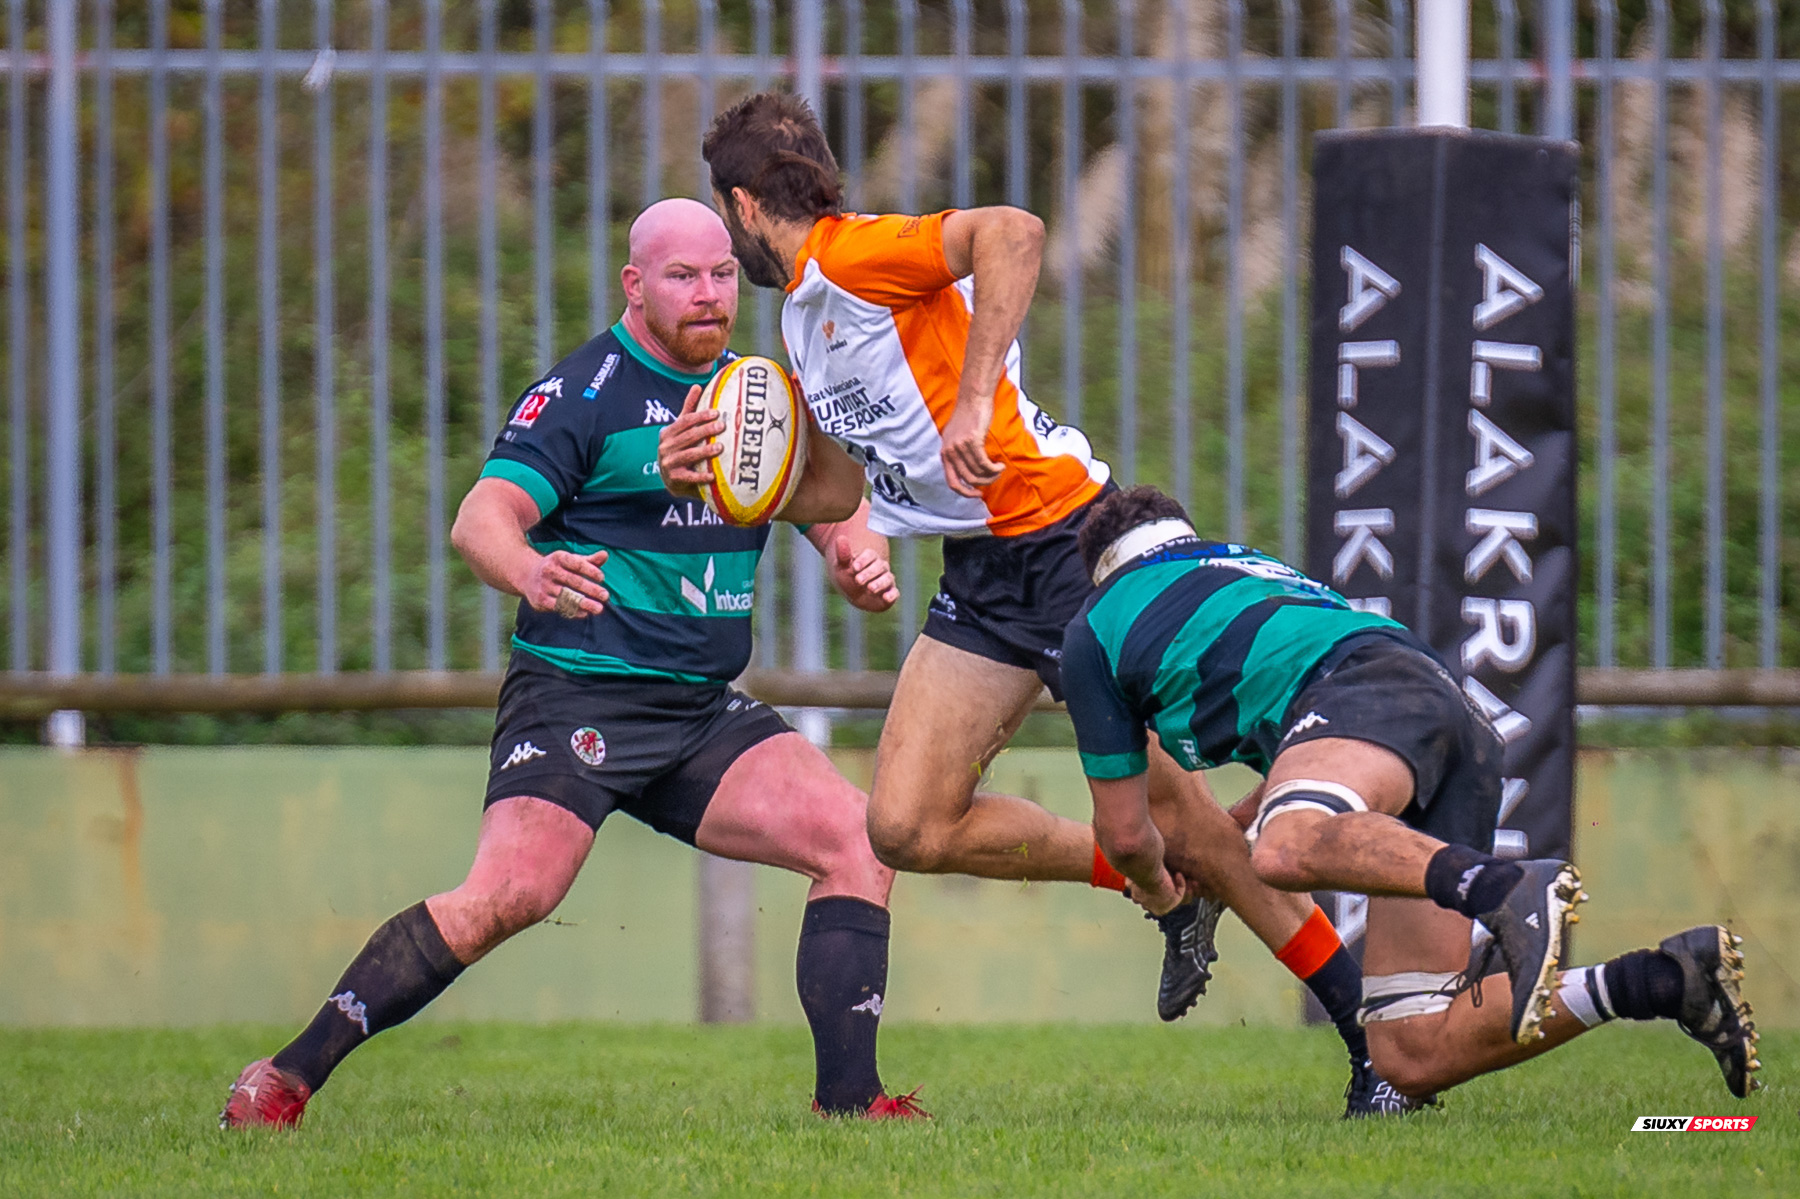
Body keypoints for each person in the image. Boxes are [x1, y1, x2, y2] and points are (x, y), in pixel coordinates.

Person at [657, 91, 1404, 1115]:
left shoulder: (853, 253)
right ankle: (1159, 885)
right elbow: (848, 484)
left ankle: (1377, 1047)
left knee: (1196, 821)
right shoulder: (803, 315)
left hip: (1067, 548)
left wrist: (974, 399)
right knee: (907, 823)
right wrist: (731, 480)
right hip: (981, 573)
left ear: (742, 205)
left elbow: (1014, 232)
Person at [221, 198, 927, 1128]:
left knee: (858, 840)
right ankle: (285, 1075)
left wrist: (854, 555)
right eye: (682, 277)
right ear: (635, 286)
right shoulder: (588, 392)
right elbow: (481, 519)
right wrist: (532, 569)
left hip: (700, 711)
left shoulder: (759, 396)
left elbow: (829, 507)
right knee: (508, 896)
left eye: (721, 273)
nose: (708, 294)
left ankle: (852, 1107)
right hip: (576, 695)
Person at [1060, 484, 1762, 1105]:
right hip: (1437, 707)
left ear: (1098, 570)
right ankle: (1664, 980)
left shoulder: (1094, 630)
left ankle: (1499, 888)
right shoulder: (1242, 569)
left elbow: (1124, 834)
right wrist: (1230, 834)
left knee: (1287, 845)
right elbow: (1310, 759)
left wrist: (1162, 887)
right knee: (1410, 1052)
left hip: (1361, 689)